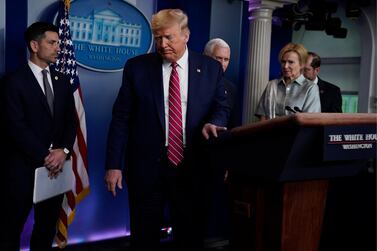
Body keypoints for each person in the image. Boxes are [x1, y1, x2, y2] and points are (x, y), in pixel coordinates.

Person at [105, 8, 229, 251]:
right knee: (143, 236)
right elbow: (121, 118)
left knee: (190, 235)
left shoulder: (210, 68)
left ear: (186, 35)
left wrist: (214, 121)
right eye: (158, 37)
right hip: (146, 167)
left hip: (193, 165)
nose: (162, 44)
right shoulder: (137, 68)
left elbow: (221, 106)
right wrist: (113, 164)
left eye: (168, 37)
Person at [0, 22, 76, 250]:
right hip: (21, 171)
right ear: (35, 45)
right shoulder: (12, 82)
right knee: (9, 230)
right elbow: (15, 127)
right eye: (52, 43)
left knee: (46, 229)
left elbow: (71, 122)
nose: (57, 48)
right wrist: (46, 156)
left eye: (59, 43)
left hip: (54, 171)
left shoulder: (62, 80)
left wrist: (62, 151)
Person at [255, 43, 321, 120]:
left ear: (301, 64)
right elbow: (263, 118)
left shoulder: (311, 88)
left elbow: (311, 120)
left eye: (291, 62)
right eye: (283, 62)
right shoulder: (272, 85)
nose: (285, 66)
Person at [204, 38, 238, 129]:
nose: (222, 64)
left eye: (226, 59)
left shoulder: (231, 88)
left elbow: (232, 123)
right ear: (206, 57)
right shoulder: (194, 80)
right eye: (218, 58)